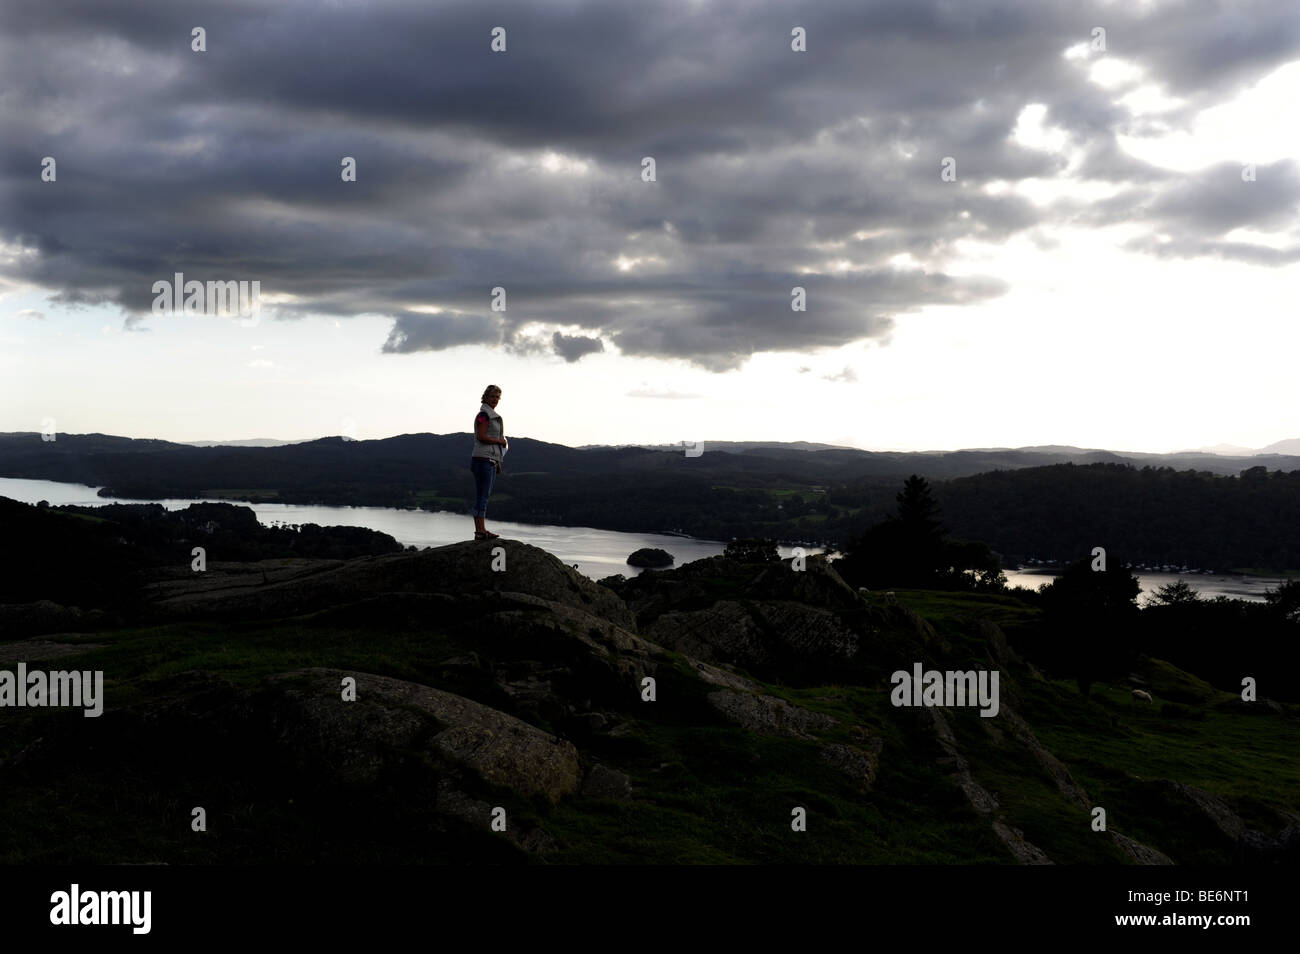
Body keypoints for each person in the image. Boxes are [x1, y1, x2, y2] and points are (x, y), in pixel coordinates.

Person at [470, 384, 507, 539]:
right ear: (485, 397)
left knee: (483, 496)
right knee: (482, 496)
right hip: (483, 459)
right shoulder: (484, 415)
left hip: (489, 459)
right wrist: (499, 441)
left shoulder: (488, 414)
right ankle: (480, 531)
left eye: (497, 397)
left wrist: (498, 461)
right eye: (492, 396)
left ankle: (481, 530)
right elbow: (481, 437)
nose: (495, 400)